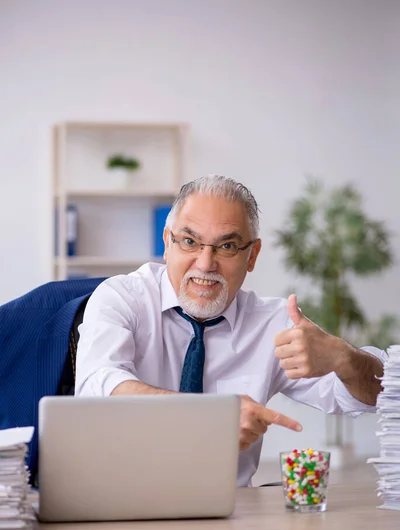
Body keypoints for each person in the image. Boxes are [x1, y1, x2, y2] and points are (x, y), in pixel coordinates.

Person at [75, 175, 385, 486]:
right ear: (167, 243)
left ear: (252, 256)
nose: (206, 263)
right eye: (189, 241)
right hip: (122, 500)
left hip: (231, 513)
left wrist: (345, 358)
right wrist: (210, 416)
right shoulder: (122, 297)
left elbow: (378, 397)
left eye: (227, 246)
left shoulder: (273, 324)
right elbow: (98, 385)